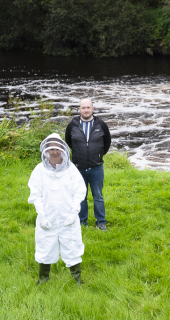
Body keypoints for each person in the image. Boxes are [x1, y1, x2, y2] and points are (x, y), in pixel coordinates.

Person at [28, 134, 86, 285]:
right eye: (51, 149)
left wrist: (74, 213)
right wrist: (41, 215)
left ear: (63, 150)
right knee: (45, 245)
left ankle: (77, 280)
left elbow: (79, 191)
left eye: (57, 149)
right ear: (46, 151)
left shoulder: (71, 169)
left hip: (68, 217)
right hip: (48, 216)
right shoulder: (39, 170)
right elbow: (36, 194)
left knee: (72, 244)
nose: (55, 152)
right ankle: (43, 279)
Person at [65, 98, 112, 230]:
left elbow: (107, 142)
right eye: (83, 108)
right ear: (79, 109)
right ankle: (82, 222)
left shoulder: (101, 125)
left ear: (92, 109)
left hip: (96, 167)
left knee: (98, 196)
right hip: (78, 168)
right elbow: (69, 141)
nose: (85, 110)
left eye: (88, 107)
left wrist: (98, 155)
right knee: (81, 196)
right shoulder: (72, 125)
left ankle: (101, 222)